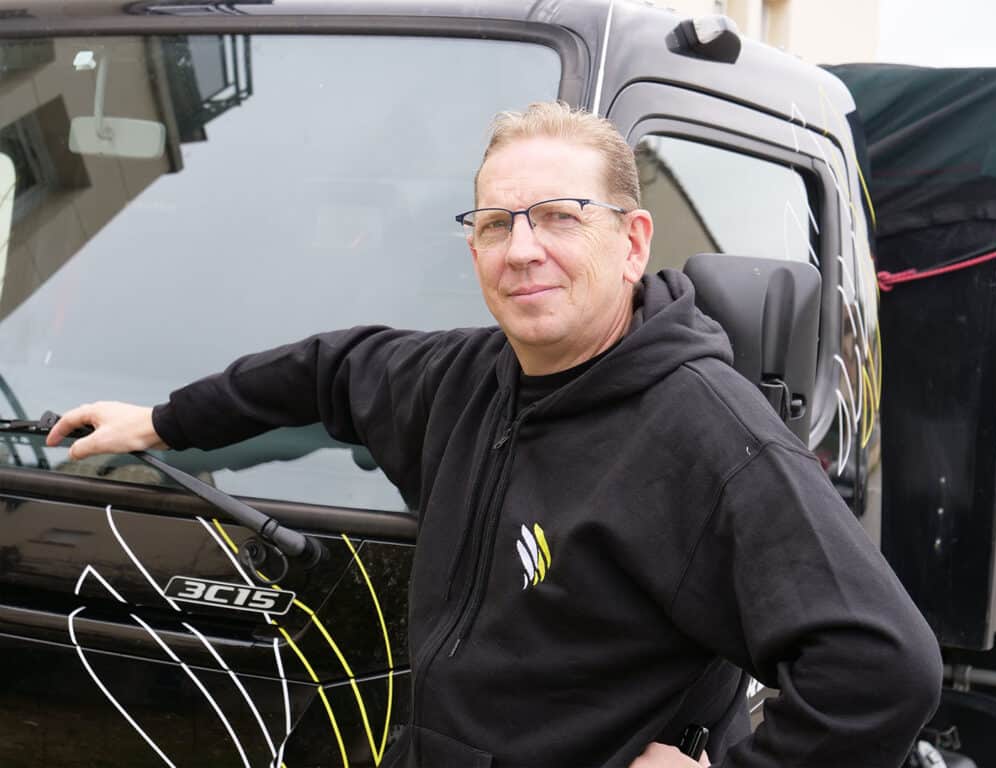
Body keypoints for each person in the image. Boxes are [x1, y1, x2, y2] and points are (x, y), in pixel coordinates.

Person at [48, 101, 942, 768]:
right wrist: (162, 421)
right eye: (495, 222)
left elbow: (882, 667)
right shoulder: (461, 379)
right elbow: (323, 369)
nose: (522, 249)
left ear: (632, 243)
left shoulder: (704, 430)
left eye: (559, 216)